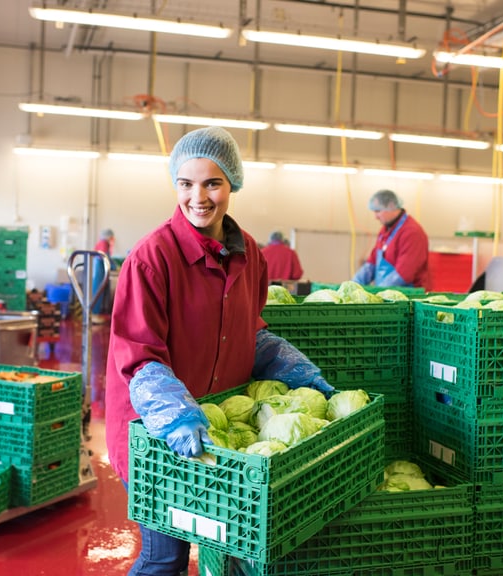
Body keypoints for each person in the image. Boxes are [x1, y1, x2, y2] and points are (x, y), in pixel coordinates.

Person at [105, 126, 334, 576]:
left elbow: (248, 331)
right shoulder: (152, 258)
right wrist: (176, 415)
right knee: (164, 557)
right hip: (157, 429)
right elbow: (138, 355)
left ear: (233, 184)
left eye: (212, 183)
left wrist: (294, 370)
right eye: (186, 184)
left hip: (220, 429)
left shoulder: (250, 253)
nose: (198, 197)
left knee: (234, 543)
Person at [352, 189, 429, 289]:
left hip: (407, 296)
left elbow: (404, 274)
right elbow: (372, 263)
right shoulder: (385, 230)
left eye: (378, 211)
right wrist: (354, 284)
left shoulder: (412, 233)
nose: (376, 217)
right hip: (386, 293)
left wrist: (378, 292)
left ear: (391, 206)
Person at [91, 228, 115, 318]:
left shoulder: (101, 242)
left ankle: (95, 313)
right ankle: (95, 314)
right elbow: (105, 257)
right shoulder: (104, 243)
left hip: (99, 269)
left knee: (98, 291)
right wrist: (114, 266)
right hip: (99, 269)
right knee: (98, 291)